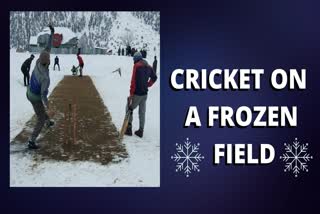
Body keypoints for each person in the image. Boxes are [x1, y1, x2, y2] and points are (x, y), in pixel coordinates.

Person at [26, 25, 55, 149]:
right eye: (49, 58)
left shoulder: (39, 60)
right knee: (40, 118)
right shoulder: (45, 78)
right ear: (48, 61)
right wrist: (49, 106)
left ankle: (48, 122)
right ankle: (32, 141)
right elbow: (43, 95)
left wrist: (52, 33)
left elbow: (48, 47)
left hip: (29, 91)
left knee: (42, 113)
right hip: (34, 97)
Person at [125, 52, 157, 138]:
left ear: (136, 59)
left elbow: (133, 81)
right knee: (142, 112)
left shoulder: (137, 66)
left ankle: (128, 128)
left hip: (137, 93)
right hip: (144, 94)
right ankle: (141, 131)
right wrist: (148, 84)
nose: (133, 61)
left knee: (129, 108)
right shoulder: (148, 66)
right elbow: (154, 77)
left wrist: (131, 94)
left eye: (133, 59)